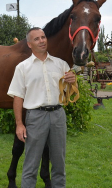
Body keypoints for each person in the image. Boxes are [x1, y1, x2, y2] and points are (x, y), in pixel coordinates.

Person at [7, 27, 76, 188]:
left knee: (59, 164)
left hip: (58, 115)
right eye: (37, 39)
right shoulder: (23, 68)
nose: (42, 41)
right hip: (36, 117)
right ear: (29, 44)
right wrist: (19, 124)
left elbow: (67, 93)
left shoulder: (61, 64)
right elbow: (18, 97)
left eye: (43, 37)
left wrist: (72, 81)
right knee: (31, 165)